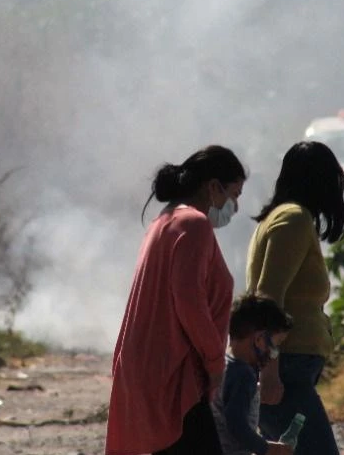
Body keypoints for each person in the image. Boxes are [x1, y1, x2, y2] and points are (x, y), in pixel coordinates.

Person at [106, 145, 248, 455]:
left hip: (149, 368)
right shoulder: (194, 224)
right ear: (213, 187)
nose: (234, 205)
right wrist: (214, 361)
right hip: (173, 372)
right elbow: (189, 301)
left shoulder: (165, 221)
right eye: (234, 195)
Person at [246, 141, 344, 455]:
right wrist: (269, 373)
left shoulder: (285, 218)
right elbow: (268, 298)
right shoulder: (293, 219)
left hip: (290, 367)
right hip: (286, 367)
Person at [212, 293, 295, 455]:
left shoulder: (223, 364)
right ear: (259, 339)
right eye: (275, 345)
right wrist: (267, 448)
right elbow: (236, 424)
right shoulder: (243, 375)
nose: (273, 353)